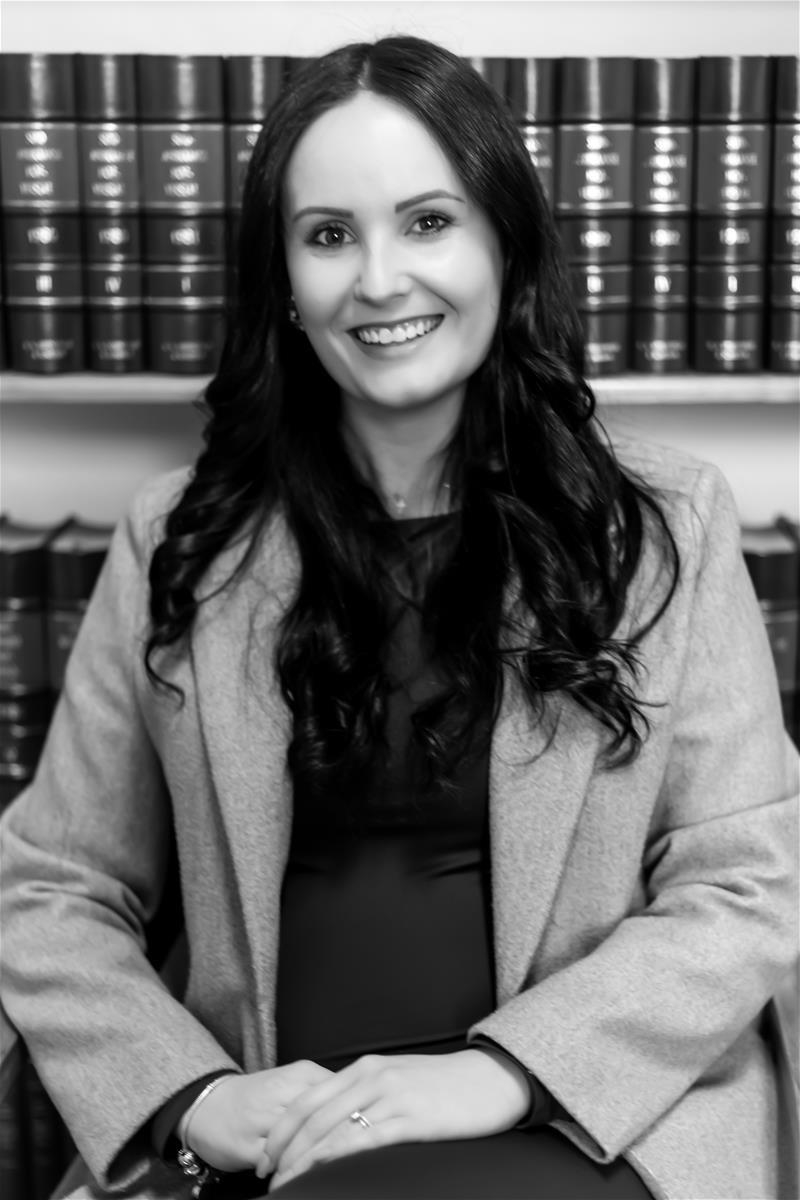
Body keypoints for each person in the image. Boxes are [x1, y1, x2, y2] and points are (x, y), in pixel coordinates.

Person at [0, 34, 797, 1200]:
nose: (378, 280)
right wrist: (193, 1096)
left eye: (427, 222)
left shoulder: (662, 526)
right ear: (282, 279)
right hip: (276, 1118)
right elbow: (49, 886)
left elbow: (745, 884)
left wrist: (502, 1073)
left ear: (503, 245)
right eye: (329, 235)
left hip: (582, 1117)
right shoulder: (179, 537)